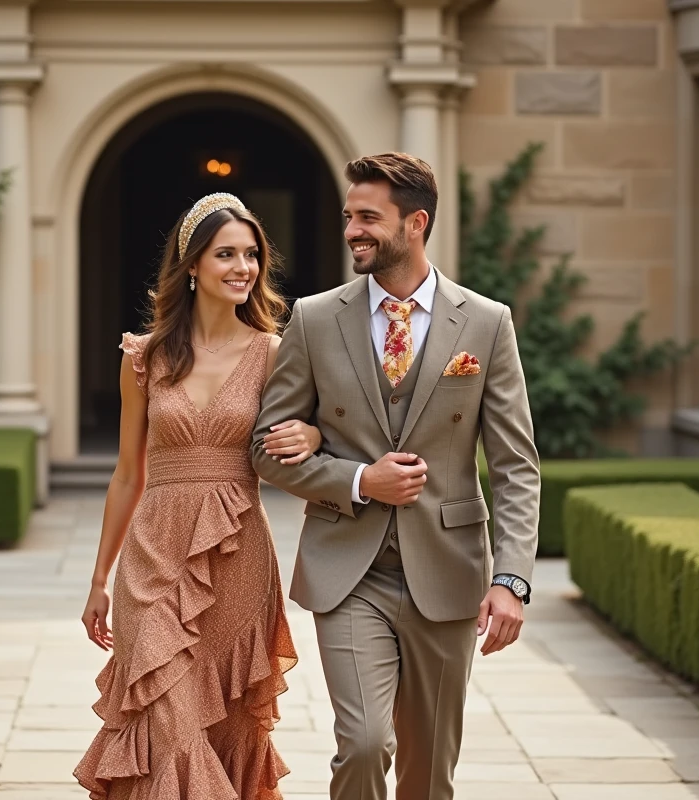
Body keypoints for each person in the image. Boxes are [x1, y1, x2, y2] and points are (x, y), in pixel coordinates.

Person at [251, 153, 541, 800]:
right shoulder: (314, 319)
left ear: (416, 223)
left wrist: (512, 578)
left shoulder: (487, 324)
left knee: (429, 770)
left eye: (368, 217)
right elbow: (267, 452)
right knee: (362, 744)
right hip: (349, 571)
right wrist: (359, 481)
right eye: (348, 215)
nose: (352, 229)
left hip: (448, 570)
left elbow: (517, 463)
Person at [75, 193, 322, 800]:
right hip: (153, 559)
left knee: (227, 728)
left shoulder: (274, 352)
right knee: (167, 719)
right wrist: (99, 579)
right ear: (192, 266)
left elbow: (322, 431)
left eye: (252, 255)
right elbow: (127, 474)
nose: (244, 267)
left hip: (239, 560)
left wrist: (313, 432)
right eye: (226, 254)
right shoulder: (146, 356)